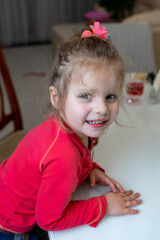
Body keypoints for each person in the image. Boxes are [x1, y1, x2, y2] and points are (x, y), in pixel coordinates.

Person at [0, 22, 142, 239]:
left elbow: (73, 158)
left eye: (110, 96)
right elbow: (49, 220)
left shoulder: (76, 126)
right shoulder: (63, 157)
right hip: (11, 222)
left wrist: (89, 169)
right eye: (85, 95)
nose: (102, 109)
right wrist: (103, 205)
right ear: (56, 98)